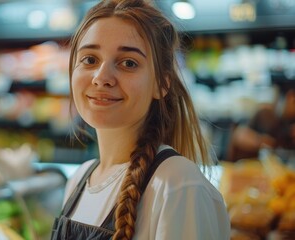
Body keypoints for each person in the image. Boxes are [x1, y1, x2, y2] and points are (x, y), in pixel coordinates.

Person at [51, 0, 231, 239]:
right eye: (90, 59)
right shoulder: (79, 179)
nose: (101, 77)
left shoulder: (177, 184)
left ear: (161, 84)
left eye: (128, 63)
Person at [227, 88, 295, 162]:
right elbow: (239, 135)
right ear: (290, 97)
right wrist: (261, 142)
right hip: (254, 165)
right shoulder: (266, 114)